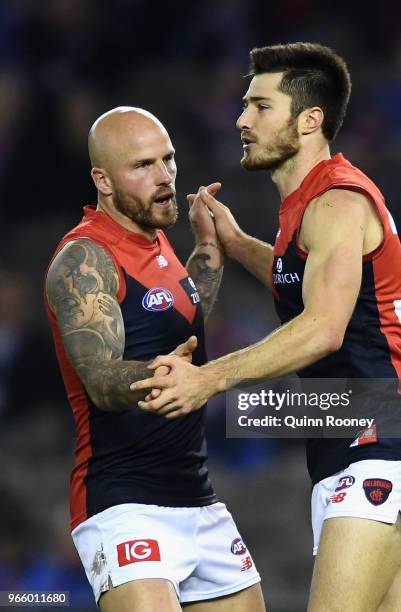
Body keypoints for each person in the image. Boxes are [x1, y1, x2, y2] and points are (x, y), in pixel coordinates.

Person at [130, 44, 401, 612]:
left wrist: (208, 379)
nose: (242, 120)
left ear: (309, 120)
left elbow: (323, 326)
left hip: (381, 436)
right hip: (352, 438)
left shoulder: (336, 202)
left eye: (260, 106)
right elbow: (309, 285)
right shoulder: (310, 206)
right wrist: (238, 245)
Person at [45, 107, 265, 612]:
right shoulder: (84, 259)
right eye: (142, 166)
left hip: (197, 496)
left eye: (168, 160)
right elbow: (100, 378)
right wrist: (193, 378)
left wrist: (208, 250)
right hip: (123, 502)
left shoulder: (157, 238)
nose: (164, 177)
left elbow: (174, 318)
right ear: (102, 179)